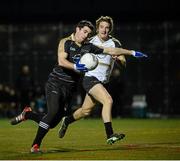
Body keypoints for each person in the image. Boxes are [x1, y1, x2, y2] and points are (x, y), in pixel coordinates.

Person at [10, 20, 145, 153]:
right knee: (52, 112)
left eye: (88, 33)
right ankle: (35, 146)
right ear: (77, 29)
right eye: (84, 31)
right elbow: (61, 61)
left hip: (70, 88)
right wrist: (75, 66)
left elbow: (110, 50)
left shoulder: (88, 46)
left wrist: (132, 52)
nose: (86, 35)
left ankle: (28, 114)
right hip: (56, 82)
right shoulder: (66, 42)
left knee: (53, 123)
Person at [58, 16, 147, 145]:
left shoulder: (115, 43)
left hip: (103, 82)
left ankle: (67, 120)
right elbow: (77, 54)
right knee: (108, 100)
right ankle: (110, 134)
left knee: (85, 111)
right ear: (98, 28)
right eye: (101, 27)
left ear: (110, 29)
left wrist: (119, 60)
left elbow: (123, 63)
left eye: (107, 27)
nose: (104, 30)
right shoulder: (90, 41)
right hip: (90, 79)